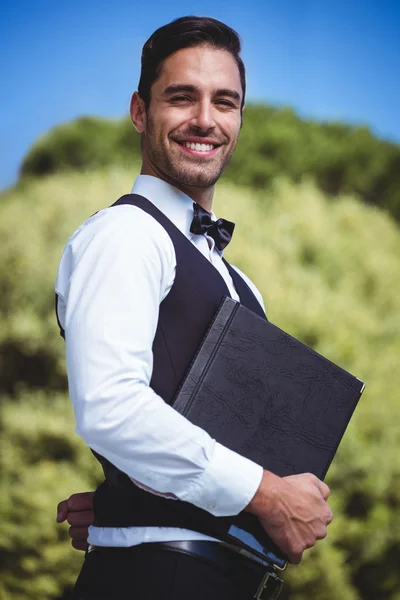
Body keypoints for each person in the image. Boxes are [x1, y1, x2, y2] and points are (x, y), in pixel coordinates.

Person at [55, 15, 333, 600]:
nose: (205, 119)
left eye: (224, 102)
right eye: (181, 97)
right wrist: (269, 494)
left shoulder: (240, 282)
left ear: (238, 119)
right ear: (139, 111)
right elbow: (111, 407)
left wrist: (120, 501)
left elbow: (203, 430)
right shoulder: (125, 234)